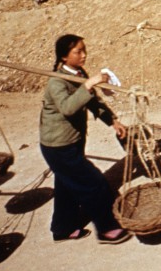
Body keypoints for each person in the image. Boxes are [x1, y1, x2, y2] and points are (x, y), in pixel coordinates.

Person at [40, 35, 130, 244]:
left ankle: (62, 228)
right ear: (64, 57)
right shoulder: (56, 82)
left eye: (84, 50)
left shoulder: (79, 74)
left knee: (66, 185)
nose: (84, 55)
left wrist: (112, 121)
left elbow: (93, 101)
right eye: (77, 52)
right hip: (58, 146)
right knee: (94, 184)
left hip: (72, 141)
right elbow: (68, 107)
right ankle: (107, 229)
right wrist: (88, 84)